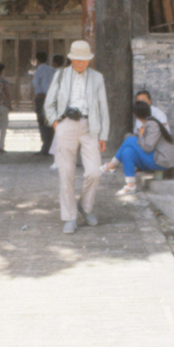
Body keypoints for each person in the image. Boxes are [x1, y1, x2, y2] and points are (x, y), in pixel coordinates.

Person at [43, 40, 109, 234]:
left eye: (84, 60)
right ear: (71, 59)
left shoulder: (97, 78)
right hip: (66, 125)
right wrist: (56, 123)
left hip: (90, 127)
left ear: (89, 60)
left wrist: (103, 135)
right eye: (77, 60)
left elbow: (103, 107)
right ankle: (70, 217)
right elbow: (49, 103)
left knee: (94, 172)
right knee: (66, 172)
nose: (80, 64)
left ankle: (85, 207)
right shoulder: (61, 75)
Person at [104, 100, 174, 195]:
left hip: (163, 161)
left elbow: (148, 147)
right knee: (127, 152)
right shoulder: (149, 123)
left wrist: (141, 135)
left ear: (135, 115)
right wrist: (141, 136)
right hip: (156, 157)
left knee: (130, 139)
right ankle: (130, 185)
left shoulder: (152, 124)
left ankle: (112, 164)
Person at [31, 52, 56, 154]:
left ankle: (45, 146)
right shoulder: (52, 70)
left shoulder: (39, 70)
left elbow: (36, 83)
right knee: (50, 122)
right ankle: (50, 146)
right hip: (52, 98)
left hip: (42, 97)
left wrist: (39, 92)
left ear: (37, 60)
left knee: (42, 122)